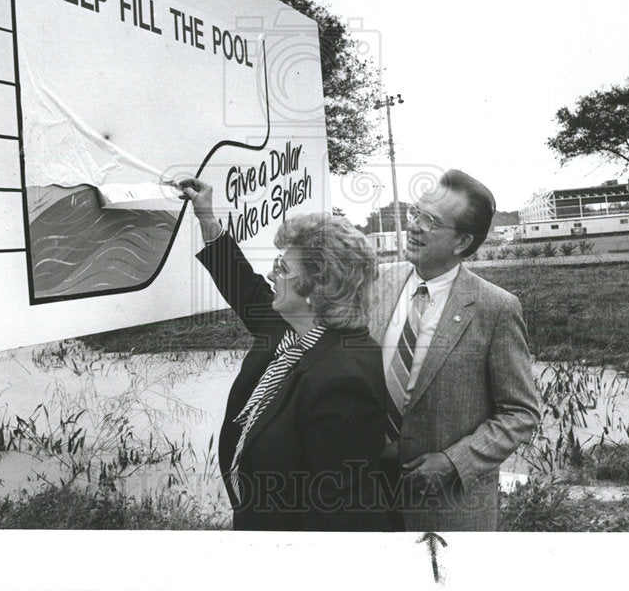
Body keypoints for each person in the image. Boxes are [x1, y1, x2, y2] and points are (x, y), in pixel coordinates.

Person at [179, 178, 388, 531]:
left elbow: (337, 512)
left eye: (283, 269)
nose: (272, 275)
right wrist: (207, 218)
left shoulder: (343, 377)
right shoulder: (291, 328)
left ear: (319, 287)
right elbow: (244, 286)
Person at [373, 169, 541, 531]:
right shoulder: (379, 282)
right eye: (416, 213)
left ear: (462, 242)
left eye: (430, 222)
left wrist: (453, 462)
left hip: (447, 512)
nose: (414, 226)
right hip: (368, 500)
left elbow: (520, 413)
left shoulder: (495, 308)